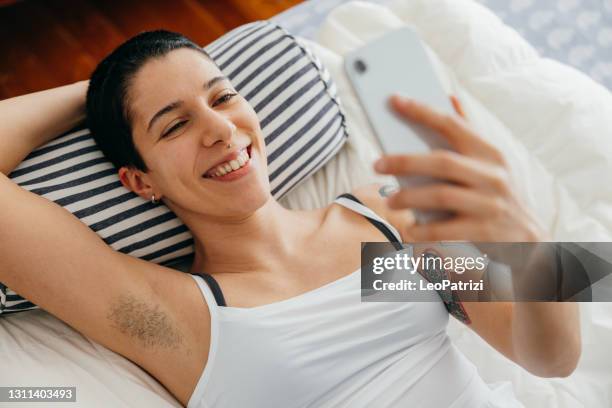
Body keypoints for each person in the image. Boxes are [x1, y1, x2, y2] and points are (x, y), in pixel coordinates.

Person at [0, 30, 580, 408]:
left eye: (222, 97)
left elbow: (550, 358)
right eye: (174, 125)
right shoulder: (170, 314)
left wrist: (525, 244)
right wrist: (98, 89)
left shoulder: (378, 222)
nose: (221, 129)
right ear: (140, 180)